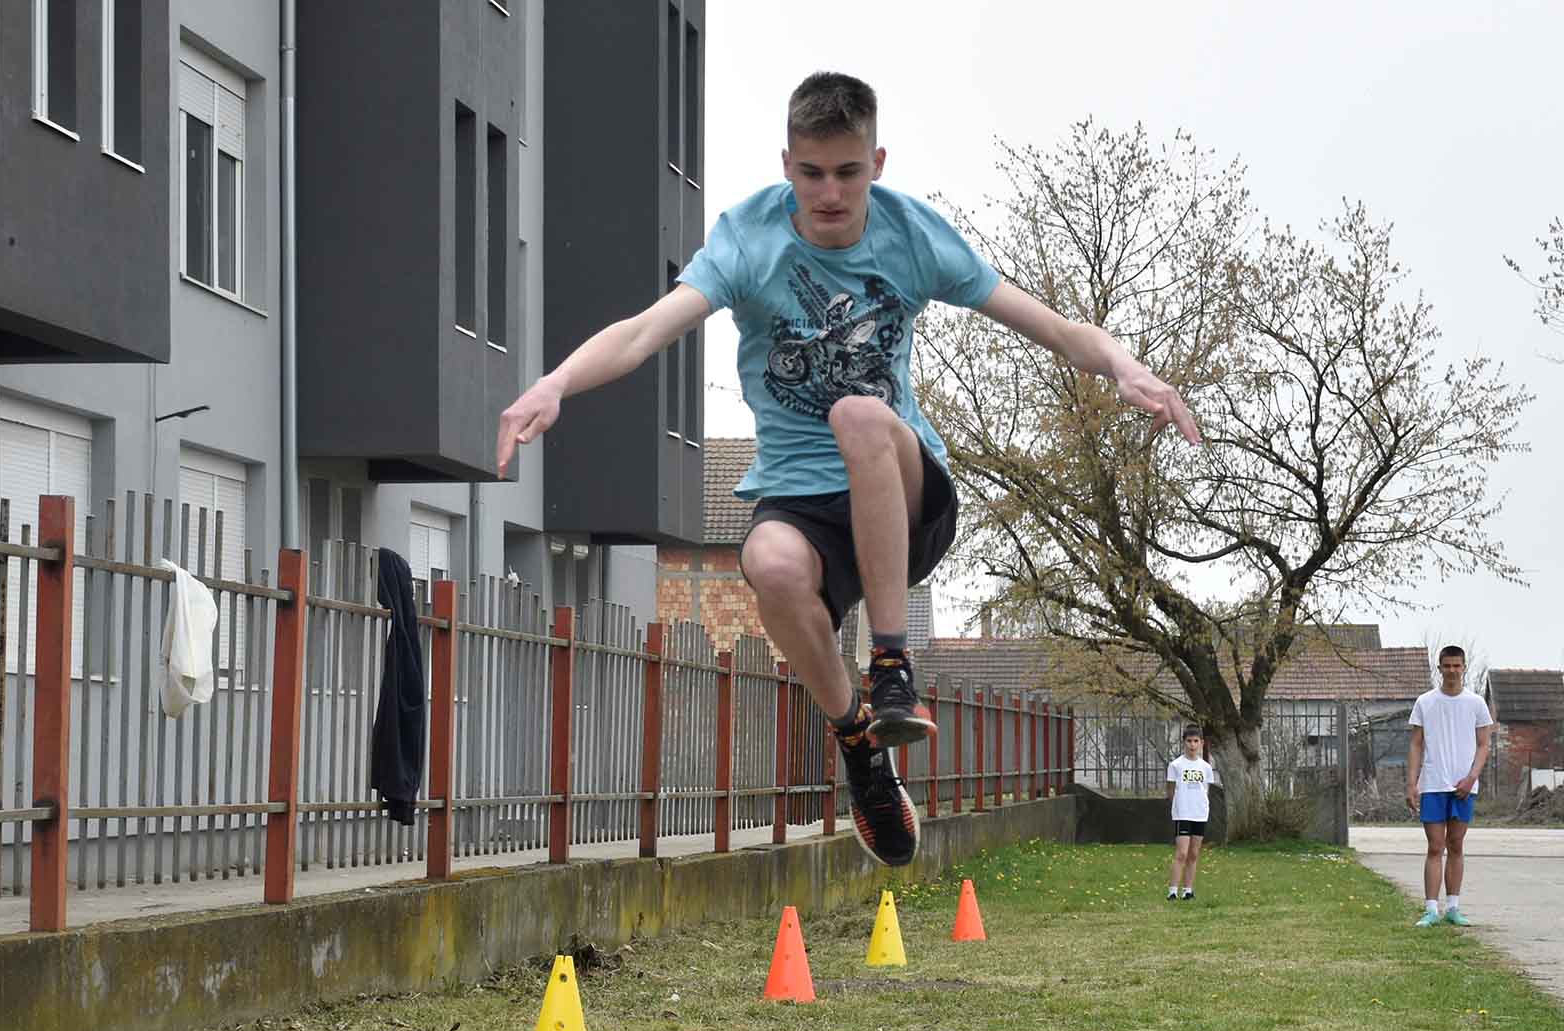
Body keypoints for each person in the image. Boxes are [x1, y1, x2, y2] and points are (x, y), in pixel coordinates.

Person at [494, 72, 1199, 868]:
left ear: (877, 164)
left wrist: (1125, 368)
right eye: (811, 173)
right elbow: (642, 331)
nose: (830, 194)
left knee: (858, 413)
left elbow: (1058, 328)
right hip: (802, 503)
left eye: (848, 173)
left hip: (902, 493)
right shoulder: (748, 238)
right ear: (786, 165)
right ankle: (860, 746)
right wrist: (556, 383)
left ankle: (892, 663)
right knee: (766, 563)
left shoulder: (911, 235)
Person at [1405, 646, 1493, 928]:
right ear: (1439, 668)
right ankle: (1431, 909)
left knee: (1456, 844)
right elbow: (1416, 744)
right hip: (1433, 784)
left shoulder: (1476, 703)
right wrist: (1412, 783)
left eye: (1457, 666)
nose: (1452, 671)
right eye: (1447, 666)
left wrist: (1471, 778)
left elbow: (1483, 745)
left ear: (1464, 667)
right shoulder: (1425, 702)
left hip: (1464, 785)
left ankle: (1453, 907)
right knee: (1435, 846)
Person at [1165, 726, 1217, 901]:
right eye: (1189, 741)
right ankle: (1172, 891)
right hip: (1183, 814)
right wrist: (1178, 806)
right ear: (1184, 742)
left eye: (1196, 741)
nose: (1192, 745)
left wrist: (1201, 805)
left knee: (1194, 854)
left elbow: (1206, 790)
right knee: (1181, 853)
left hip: (1199, 814)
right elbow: (1170, 790)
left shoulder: (1206, 767)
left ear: (1202, 743)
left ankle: (1188, 890)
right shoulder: (1175, 765)